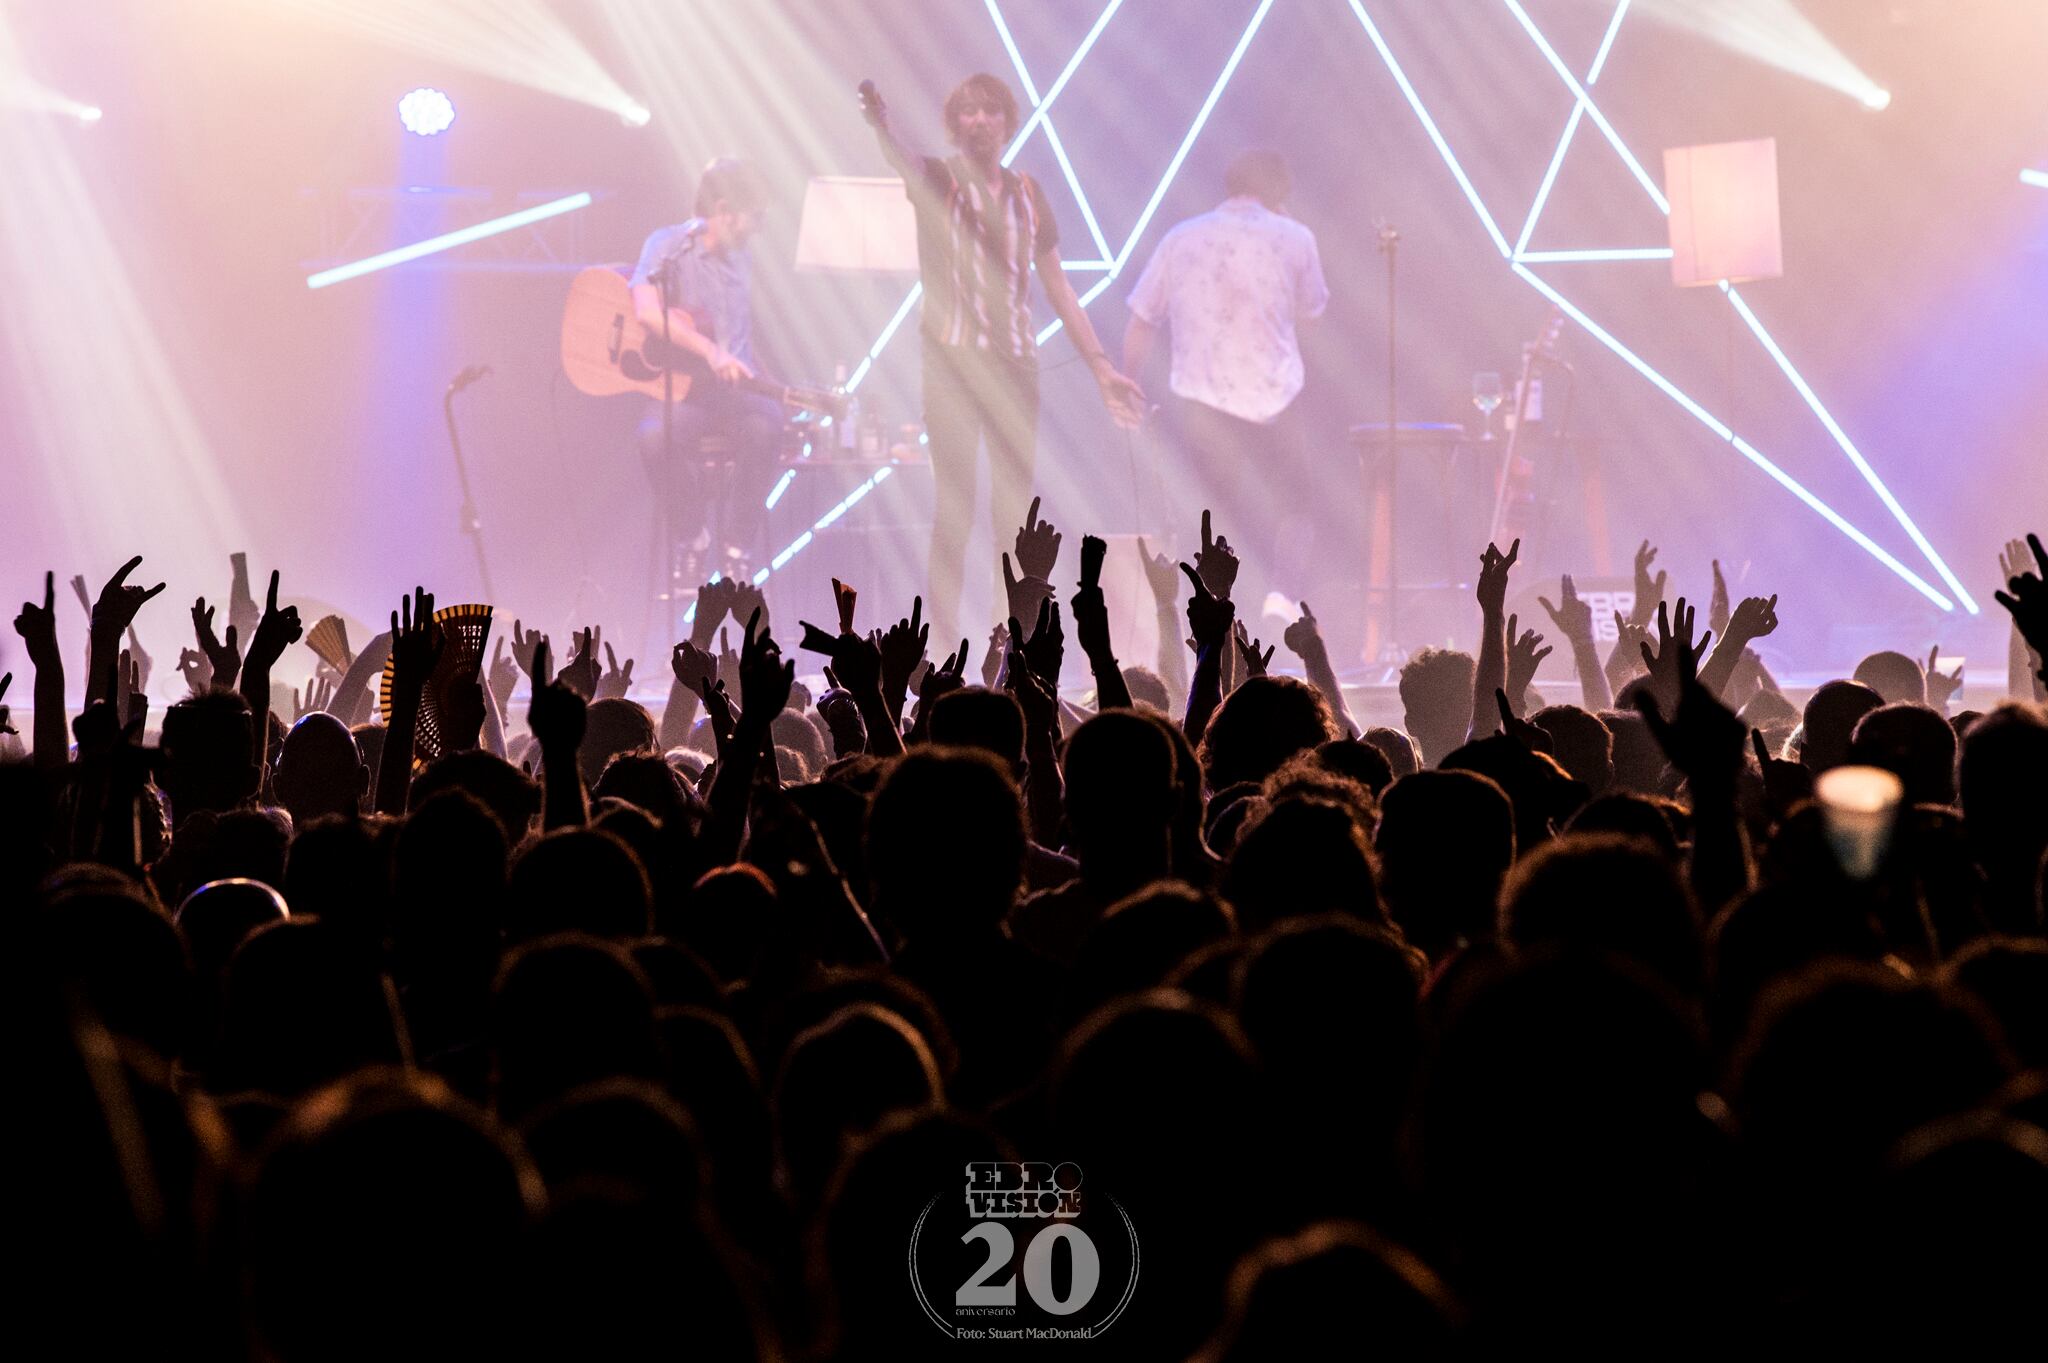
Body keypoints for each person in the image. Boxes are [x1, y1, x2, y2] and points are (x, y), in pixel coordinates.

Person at [862, 73, 1146, 642]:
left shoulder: (1027, 193)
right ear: (955, 125)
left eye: (990, 111)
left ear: (1007, 122)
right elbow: (903, 161)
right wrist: (882, 127)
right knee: (956, 508)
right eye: (967, 112)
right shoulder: (941, 181)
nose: (979, 120)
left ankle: (1007, 641)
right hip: (952, 367)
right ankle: (938, 643)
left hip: (1016, 368)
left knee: (1015, 515)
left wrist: (1101, 367)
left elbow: (1059, 286)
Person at [1123, 150, 1329, 606]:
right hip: (1274, 395)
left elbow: (1142, 317)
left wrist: (1127, 385)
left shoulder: (1182, 237)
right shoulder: (1295, 236)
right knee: (1297, 505)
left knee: (1213, 511)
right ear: (1279, 193)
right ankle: (1282, 593)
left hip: (1204, 397)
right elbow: (1312, 313)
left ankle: (1213, 606)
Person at [630, 158, 781, 580]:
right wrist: (709, 351)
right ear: (724, 210)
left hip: (735, 391)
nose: (760, 227)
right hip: (686, 389)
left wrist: (758, 374)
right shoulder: (667, 246)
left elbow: (740, 338)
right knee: (654, 438)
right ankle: (692, 535)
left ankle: (737, 545)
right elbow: (645, 312)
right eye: (757, 216)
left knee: (767, 429)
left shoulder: (745, 260)